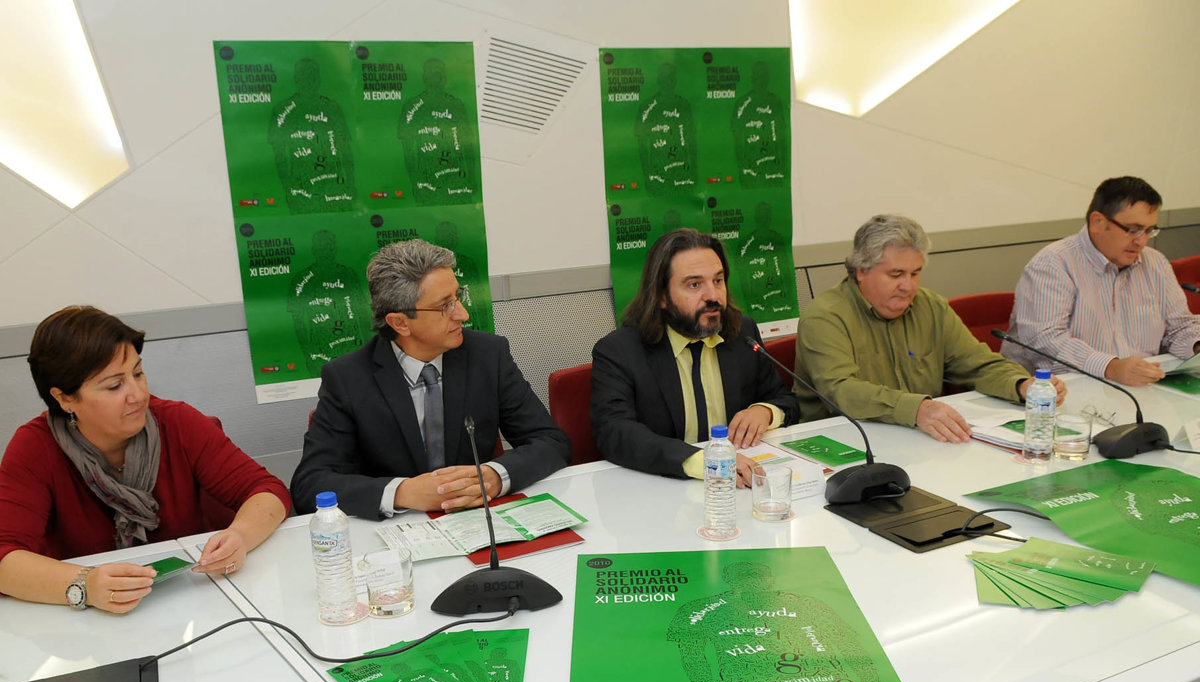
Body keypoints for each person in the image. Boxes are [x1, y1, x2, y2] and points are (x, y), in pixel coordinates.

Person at [0, 306, 290, 613]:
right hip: (88, 621)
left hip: (190, 604)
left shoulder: (176, 422)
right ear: (64, 398)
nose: (138, 394)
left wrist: (240, 535)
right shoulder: (35, 447)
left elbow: (267, 490)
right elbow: (4, 554)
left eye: (138, 373)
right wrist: (86, 584)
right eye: (115, 385)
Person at [290, 238, 569, 519]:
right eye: (445, 306)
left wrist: (495, 476)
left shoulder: (488, 355)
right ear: (400, 322)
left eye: (457, 297)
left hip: (477, 520)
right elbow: (309, 484)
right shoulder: (348, 378)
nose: (463, 314)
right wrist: (402, 492)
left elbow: (551, 442)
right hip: (397, 530)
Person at [794, 215, 1064, 443]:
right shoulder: (825, 317)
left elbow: (976, 363)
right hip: (843, 444)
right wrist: (917, 409)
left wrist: (1021, 385)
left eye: (915, 273)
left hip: (919, 440)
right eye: (896, 274)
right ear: (861, 271)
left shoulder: (930, 306)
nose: (908, 286)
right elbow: (841, 391)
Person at [590, 228, 800, 485]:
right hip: (664, 487)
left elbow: (786, 400)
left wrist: (764, 411)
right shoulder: (620, 351)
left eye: (718, 281)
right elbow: (614, 432)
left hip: (739, 486)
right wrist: (702, 461)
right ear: (662, 296)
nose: (713, 296)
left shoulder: (742, 333)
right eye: (694, 284)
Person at [1002, 176, 1200, 385]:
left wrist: (1196, 345)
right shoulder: (1053, 264)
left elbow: (1179, 327)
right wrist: (1110, 367)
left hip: (1140, 387)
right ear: (1097, 222)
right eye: (1133, 230)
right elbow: (1044, 339)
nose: (1141, 241)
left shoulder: (1155, 263)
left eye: (1149, 231)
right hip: (1058, 390)